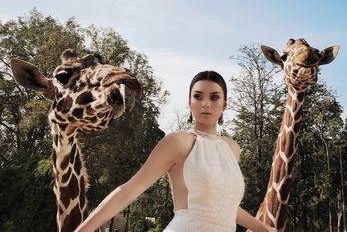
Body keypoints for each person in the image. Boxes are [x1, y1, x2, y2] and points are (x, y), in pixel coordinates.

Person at [75, 71, 276, 232]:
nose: (205, 103)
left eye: (214, 97)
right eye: (198, 97)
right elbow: (129, 190)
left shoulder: (232, 148)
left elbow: (223, 207)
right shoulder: (178, 142)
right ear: (189, 104)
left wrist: (262, 228)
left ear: (225, 104)